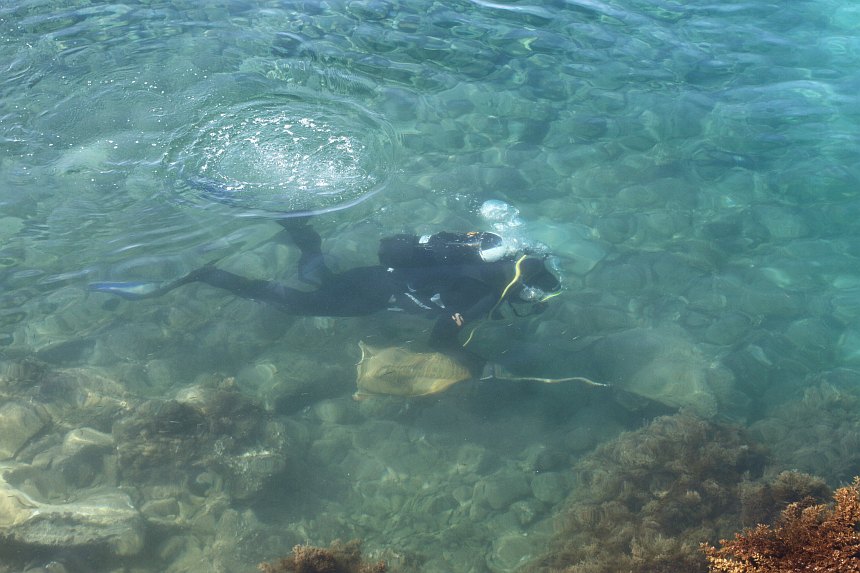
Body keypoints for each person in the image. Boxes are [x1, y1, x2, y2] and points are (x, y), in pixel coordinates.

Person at [90, 219, 561, 357]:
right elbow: (441, 336)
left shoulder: (480, 265)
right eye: (533, 296)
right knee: (300, 303)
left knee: (319, 279)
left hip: (376, 278)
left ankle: (295, 224)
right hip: (375, 296)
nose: (529, 301)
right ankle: (205, 275)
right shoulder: (487, 296)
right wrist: (464, 360)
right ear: (523, 287)